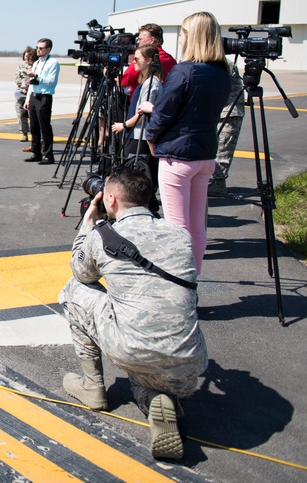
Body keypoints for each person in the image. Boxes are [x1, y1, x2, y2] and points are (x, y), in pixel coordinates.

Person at [59, 166, 206, 460]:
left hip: (130, 348)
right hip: (190, 361)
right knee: (149, 361)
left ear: (110, 200)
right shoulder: (180, 234)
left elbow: (82, 273)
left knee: (73, 290)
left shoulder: (104, 235)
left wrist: (88, 223)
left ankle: (93, 388)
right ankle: (159, 400)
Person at [142, 12, 231, 273]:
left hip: (178, 156)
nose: (179, 39)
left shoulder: (184, 70)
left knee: (176, 228)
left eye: (182, 34)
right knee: (196, 227)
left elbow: (165, 112)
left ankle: (179, 286)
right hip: (205, 154)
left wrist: (151, 136)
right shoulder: (222, 72)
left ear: (191, 37)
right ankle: (193, 281)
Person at [111, 44, 163, 212]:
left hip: (141, 135)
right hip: (137, 133)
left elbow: (142, 114)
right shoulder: (146, 82)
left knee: (138, 173)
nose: (133, 62)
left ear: (149, 61)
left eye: (137, 59)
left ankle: (144, 206)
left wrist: (124, 125)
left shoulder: (151, 84)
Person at [209, 64, 245, 196]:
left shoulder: (225, 64)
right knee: (215, 147)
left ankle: (219, 183)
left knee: (223, 148)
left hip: (229, 112)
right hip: (218, 111)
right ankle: (213, 180)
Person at [23, 38, 59, 165]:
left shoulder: (53, 63)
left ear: (48, 49)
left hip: (44, 97)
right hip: (34, 96)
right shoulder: (37, 63)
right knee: (34, 127)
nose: (38, 50)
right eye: (37, 47)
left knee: (45, 127)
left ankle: (49, 155)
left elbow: (51, 82)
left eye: (41, 48)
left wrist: (37, 76)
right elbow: (32, 84)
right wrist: (28, 99)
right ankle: (36, 152)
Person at [119, 23, 176, 94]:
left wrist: (111, 75)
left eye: (140, 39)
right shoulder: (171, 59)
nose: (138, 42)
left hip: (142, 100)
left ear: (152, 40)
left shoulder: (143, 57)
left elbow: (123, 82)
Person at [14, 47, 35, 142]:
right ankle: (24, 133)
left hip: (32, 93)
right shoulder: (20, 67)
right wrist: (22, 84)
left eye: (29, 56)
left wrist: (28, 85)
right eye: (26, 56)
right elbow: (17, 79)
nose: (26, 58)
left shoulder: (36, 66)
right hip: (21, 93)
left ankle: (35, 135)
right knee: (20, 114)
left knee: (32, 115)